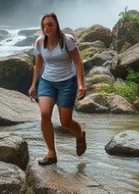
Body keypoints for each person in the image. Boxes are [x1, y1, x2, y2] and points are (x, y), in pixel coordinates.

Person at [28, 12, 87, 165]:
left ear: (56, 26)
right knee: (45, 114)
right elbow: (39, 63)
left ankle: (80, 135)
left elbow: (78, 62)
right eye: (44, 25)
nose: (46, 28)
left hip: (67, 82)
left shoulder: (67, 41)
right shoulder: (40, 42)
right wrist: (34, 84)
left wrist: (81, 84)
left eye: (50, 25)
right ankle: (51, 153)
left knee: (65, 122)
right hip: (47, 82)